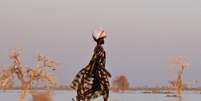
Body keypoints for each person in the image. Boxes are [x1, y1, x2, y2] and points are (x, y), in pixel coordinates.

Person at [71, 28, 111, 101]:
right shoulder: (99, 48)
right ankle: (79, 97)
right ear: (99, 39)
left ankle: (80, 97)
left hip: (99, 70)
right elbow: (95, 61)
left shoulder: (99, 48)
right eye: (102, 38)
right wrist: (105, 71)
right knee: (101, 87)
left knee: (103, 87)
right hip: (98, 71)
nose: (104, 40)